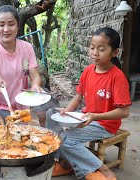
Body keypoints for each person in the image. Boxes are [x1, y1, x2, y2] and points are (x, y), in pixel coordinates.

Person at [46, 27, 131, 180]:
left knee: (65, 138)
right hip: (87, 116)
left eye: (101, 49)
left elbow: (124, 112)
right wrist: (66, 110)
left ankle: (100, 168)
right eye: (92, 48)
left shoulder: (117, 77)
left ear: (114, 52)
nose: (94, 53)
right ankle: (63, 161)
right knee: (51, 114)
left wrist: (95, 116)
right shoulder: (88, 71)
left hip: (105, 124)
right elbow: (78, 97)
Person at [0, 5, 50, 125]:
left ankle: (51, 139)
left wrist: (35, 86)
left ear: (18, 26)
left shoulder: (26, 48)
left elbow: (35, 75)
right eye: (1, 25)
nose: (6, 29)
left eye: (11, 24)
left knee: (48, 111)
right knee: (16, 125)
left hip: (20, 106)